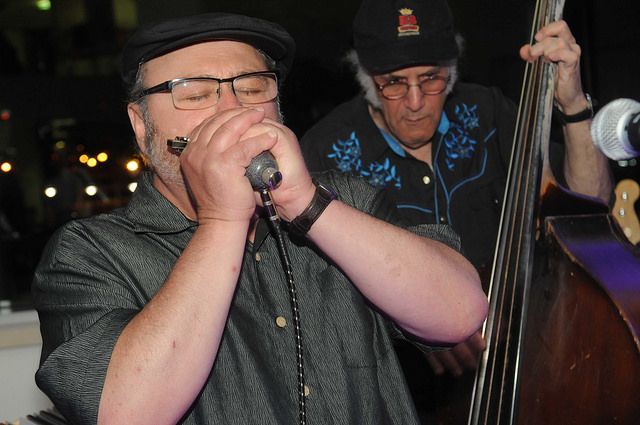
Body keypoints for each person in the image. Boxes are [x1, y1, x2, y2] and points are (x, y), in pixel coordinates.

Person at [31, 12, 488, 425]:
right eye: (194, 93)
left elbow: (460, 314)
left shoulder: (343, 199)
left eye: (252, 88)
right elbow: (124, 413)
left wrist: (305, 204)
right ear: (140, 124)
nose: (233, 110)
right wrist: (223, 220)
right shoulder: (89, 253)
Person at [299, 0, 612, 419]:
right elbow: (317, 301)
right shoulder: (324, 153)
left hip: (528, 365)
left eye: (431, 78)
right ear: (366, 79)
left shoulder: (488, 113)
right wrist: (419, 322)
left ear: (451, 71)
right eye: (394, 83)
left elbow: (588, 211)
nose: (415, 101)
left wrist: (573, 106)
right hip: (409, 397)